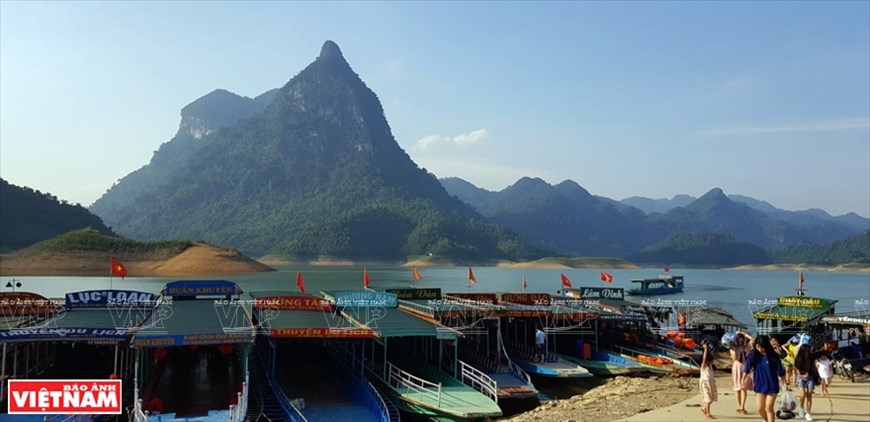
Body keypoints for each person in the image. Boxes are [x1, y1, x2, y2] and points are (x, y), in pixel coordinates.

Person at [745, 335, 787, 422]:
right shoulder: (753, 356)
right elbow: (747, 369)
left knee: (769, 408)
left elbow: (780, 371)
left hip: (772, 385)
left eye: (763, 347)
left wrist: (785, 384)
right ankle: (766, 420)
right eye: (758, 346)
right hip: (759, 385)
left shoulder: (773, 356)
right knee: (760, 408)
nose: (760, 349)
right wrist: (743, 380)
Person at [730, 330, 753, 414]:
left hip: (745, 366)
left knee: (743, 387)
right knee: (737, 388)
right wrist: (735, 349)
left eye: (742, 338)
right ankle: (740, 406)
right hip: (737, 366)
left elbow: (753, 340)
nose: (740, 340)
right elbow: (735, 358)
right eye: (739, 338)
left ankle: (742, 406)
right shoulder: (732, 347)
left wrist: (744, 334)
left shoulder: (746, 346)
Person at [794, 345, 817, 421]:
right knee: (803, 393)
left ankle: (808, 413)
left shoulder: (811, 358)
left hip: (810, 378)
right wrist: (801, 374)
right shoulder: (798, 358)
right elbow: (796, 368)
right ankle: (801, 407)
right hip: (801, 378)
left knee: (809, 394)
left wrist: (815, 373)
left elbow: (814, 367)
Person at [699, 342, 718, 419]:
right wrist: (705, 349)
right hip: (705, 384)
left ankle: (704, 408)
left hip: (711, 383)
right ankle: (708, 413)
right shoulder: (704, 366)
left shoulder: (710, 367)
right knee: (708, 399)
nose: (711, 362)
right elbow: (704, 358)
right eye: (710, 361)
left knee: (711, 398)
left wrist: (708, 350)